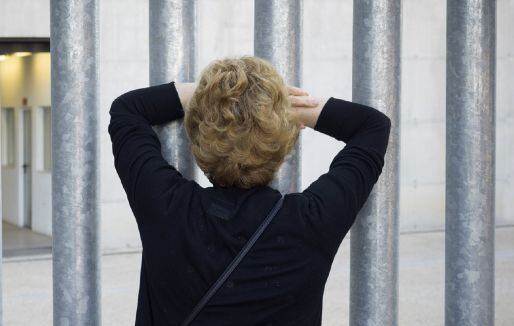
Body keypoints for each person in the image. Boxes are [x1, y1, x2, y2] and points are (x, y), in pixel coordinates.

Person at [108, 56, 391, 325]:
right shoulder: (313, 220)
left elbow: (128, 109)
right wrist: (276, 106)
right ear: (285, 142)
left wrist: (211, 97)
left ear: (196, 134)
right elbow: (372, 126)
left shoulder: (165, 205)